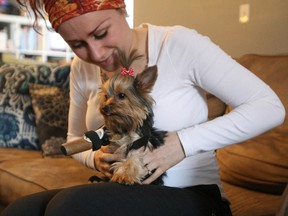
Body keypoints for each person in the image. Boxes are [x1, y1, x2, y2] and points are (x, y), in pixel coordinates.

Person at [1, 0, 285, 215]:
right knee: (22, 210)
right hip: (122, 188)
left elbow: (269, 107)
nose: (96, 55)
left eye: (101, 34)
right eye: (78, 44)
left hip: (194, 196)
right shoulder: (82, 68)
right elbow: (75, 140)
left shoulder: (178, 44)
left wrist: (181, 143)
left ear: (122, 9)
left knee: (70, 205)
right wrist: (94, 158)